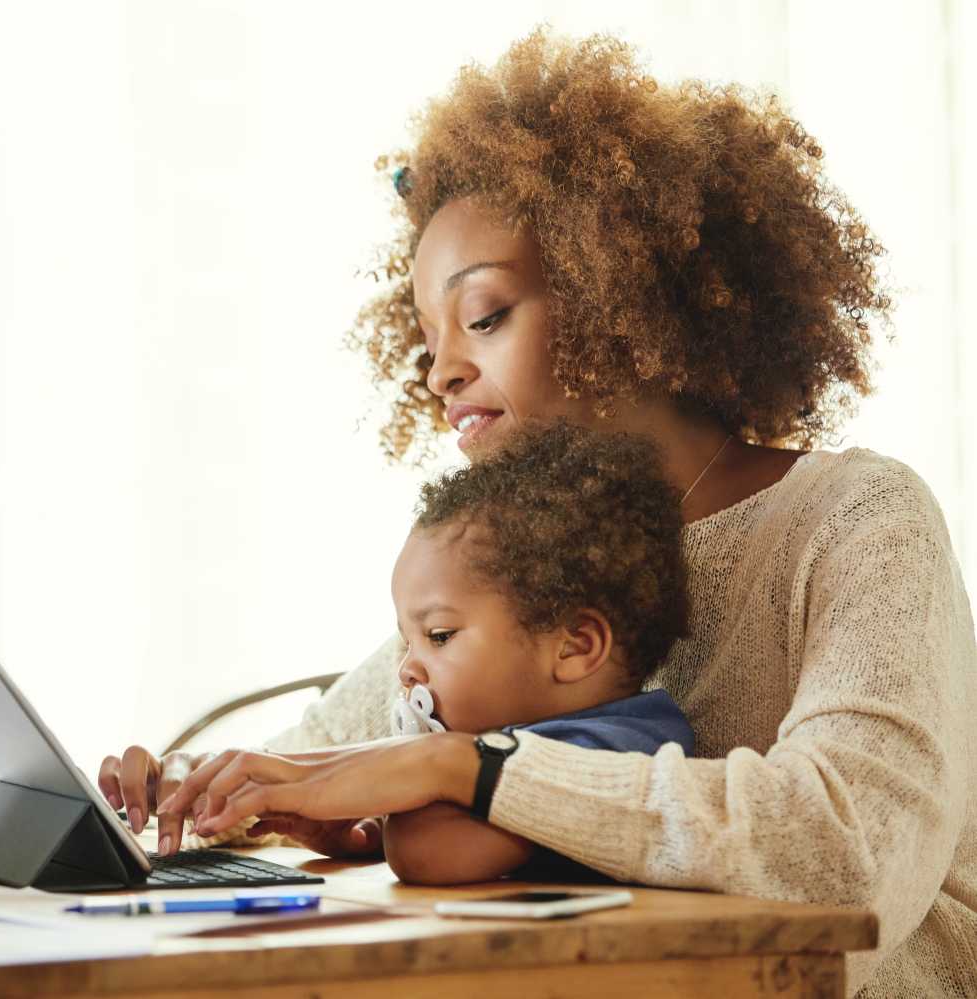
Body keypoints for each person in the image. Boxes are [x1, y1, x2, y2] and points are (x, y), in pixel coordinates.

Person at [99, 29, 975, 997]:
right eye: (427, 338)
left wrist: (462, 768)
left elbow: (846, 850)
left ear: (621, 297)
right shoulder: (528, 562)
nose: (439, 372)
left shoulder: (854, 517)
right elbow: (326, 758)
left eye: (481, 317)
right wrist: (216, 792)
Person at [382, 420, 695, 883]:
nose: (408, 670)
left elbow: (428, 852)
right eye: (409, 641)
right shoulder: (529, 736)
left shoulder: (611, 750)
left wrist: (404, 770)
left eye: (440, 635)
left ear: (574, 646)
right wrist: (360, 828)